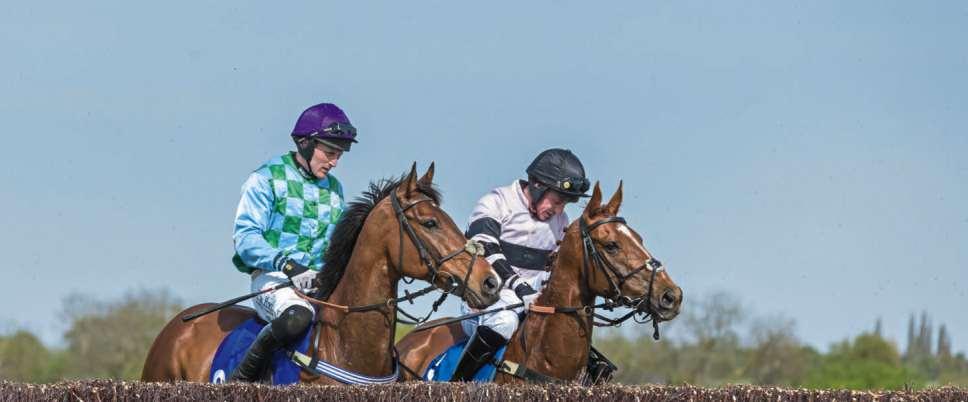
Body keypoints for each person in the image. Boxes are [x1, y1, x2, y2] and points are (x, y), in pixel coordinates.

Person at [228, 103, 357, 382]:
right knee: (297, 316)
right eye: (330, 153)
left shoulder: (335, 190)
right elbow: (246, 239)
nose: (335, 162)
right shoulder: (265, 178)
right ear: (306, 144)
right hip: (273, 279)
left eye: (339, 155)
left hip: (318, 284)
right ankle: (240, 382)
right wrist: (289, 267)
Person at [453, 148, 590, 381]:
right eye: (557, 201)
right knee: (505, 322)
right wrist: (522, 289)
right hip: (485, 302)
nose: (559, 210)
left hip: (531, 303)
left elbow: (554, 273)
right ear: (537, 185)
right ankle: (458, 384)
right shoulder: (495, 202)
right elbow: (487, 251)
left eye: (564, 205)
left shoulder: (561, 222)